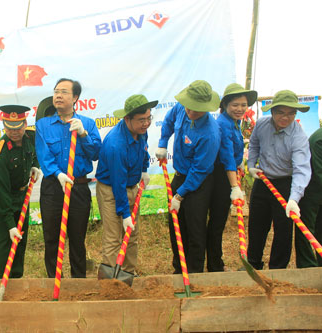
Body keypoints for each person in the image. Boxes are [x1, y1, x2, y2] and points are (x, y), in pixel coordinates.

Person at [35, 78, 102, 278]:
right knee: (52, 238)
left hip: (79, 188)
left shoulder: (87, 123)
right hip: (53, 188)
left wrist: (83, 134)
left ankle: (78, 283)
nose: (58, 95)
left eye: (64, 92)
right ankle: (54, 282)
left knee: (77, 238)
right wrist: (58, 174)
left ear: (75, 97)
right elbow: (44, 156)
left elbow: (96, 153)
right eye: (56, 91)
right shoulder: (43, 125)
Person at [155, 80, 220, 273]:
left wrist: (180, 195)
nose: (190, 112)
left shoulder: (210, 133)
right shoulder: (182, 107)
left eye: (196, 110)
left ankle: (194, 272)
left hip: (198, 184)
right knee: (176, 226)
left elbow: (199, 171)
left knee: (195, 229)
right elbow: (168, 121)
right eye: (189, 107)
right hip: (180, 176)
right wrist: (162, 142)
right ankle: (179, 269)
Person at [247, 90, 311, 270]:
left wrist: (294, 199)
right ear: (272, 111)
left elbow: (301, 170)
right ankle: (253, 265)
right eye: (281, 112)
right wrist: (252, 164)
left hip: (286, 184)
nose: (286, 117)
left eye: (291, 113)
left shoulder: (298, 138)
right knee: (256, 226)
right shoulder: (261, 125)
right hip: (263, 181)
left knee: (283, 231)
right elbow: (254, 144)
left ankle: (278, 270)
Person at [95, 94, 155, 275]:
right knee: (114, 237)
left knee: (132, 234)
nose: (146, 123)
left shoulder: (141, 132)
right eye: (141, 120)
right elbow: (117, 183)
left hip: (131, 187)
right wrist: (125, 212)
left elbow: (143, 151)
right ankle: (112, 278)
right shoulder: (116, 145)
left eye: (148, 118)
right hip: (111, 191)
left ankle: (128, 273)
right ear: (127, 119)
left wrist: (144, 169)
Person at [207, 84, 257, 272]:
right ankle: (215, 266)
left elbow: (234, 154)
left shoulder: (234, 122)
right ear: (225, 104)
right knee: (217, 222)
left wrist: (239, 166)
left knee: (219, 222)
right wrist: (234, 186)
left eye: (243, 105)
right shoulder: (223, 124)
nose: (240, 109)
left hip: (228, 173)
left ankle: (215, 263)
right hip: (220, 176)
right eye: (235, 105)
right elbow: (226, 156)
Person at [0, 105, 41, 279]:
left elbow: (36, 153)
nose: (14, 132)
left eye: (18, 127)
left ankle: (16, 279)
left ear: (25, 123)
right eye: (9, 127)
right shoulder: (0, 151)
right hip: (3, 198)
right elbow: (2, 191)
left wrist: (35, 165)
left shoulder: (31, 138)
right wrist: (10, 224)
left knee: (21, 239)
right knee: (6, 240)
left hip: (22, 196)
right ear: (4, 126)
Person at [297, 127, 322, 267]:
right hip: (311, 192)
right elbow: (319, 173)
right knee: (306, 230)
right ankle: (307, 265)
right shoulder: (319, 140)